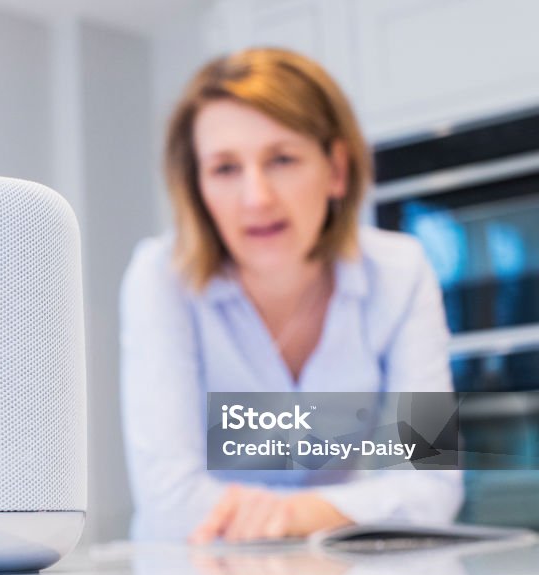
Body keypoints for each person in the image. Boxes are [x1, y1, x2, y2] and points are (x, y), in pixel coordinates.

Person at [119, 47, 462, 543]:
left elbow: (432, 484)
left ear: (337, 170)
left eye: (282, 159)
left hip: (332, 571)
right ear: (197, 187)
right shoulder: (160, 277)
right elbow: (169, 500)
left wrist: (295, 516)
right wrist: (338, 511)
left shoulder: (400, 273)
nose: (257, 198)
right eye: (224, 168)